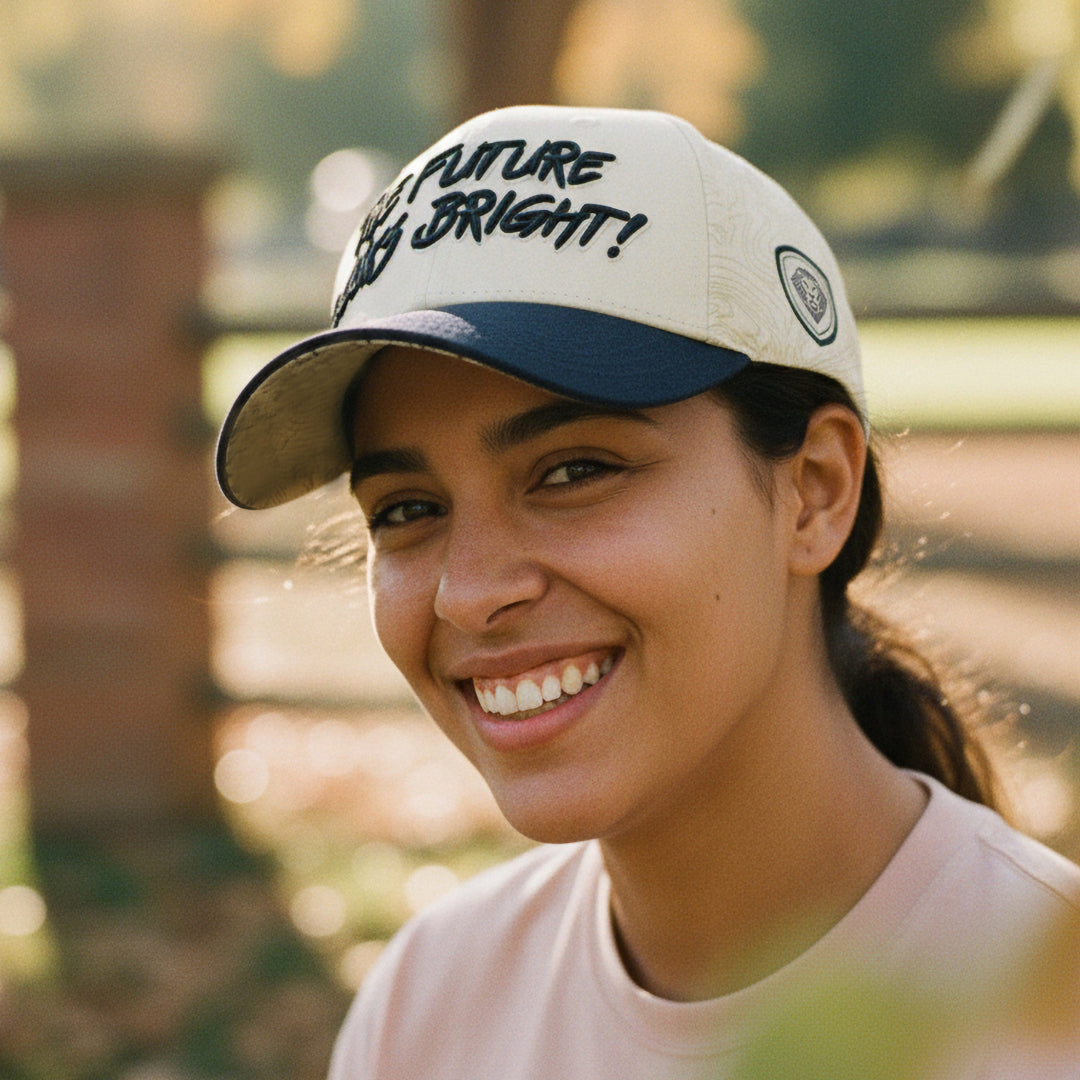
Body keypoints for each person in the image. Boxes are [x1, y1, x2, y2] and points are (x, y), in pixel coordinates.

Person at [216, 106, 1080, 1079]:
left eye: (575, 470)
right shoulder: (428, 1007)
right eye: (407, 508)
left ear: (815, 492)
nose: (470, 593)